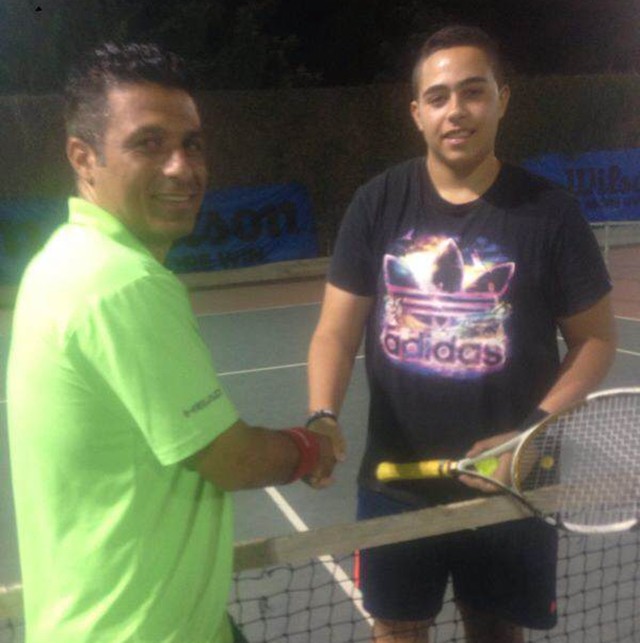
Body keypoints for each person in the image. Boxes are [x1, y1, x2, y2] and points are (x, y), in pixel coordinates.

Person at [7, 42, 335, 643]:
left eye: (192, 143)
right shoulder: (121, 283)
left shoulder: (61, 258)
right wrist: (310, 449)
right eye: (149, 143)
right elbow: (231, 458)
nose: (182, 167)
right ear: (84, 157)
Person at [307, 25, 617, 643]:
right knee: (396, 631)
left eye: (473, 92)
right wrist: (322, 415)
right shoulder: (377, 203)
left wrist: (526, 435)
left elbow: (596, 340)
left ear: (503, 99)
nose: (456, 110)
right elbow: (335, 334)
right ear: (417, 113)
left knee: (496, 632)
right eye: (439, 97)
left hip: (510, 483)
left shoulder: (551, 212)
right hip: (396, 483)